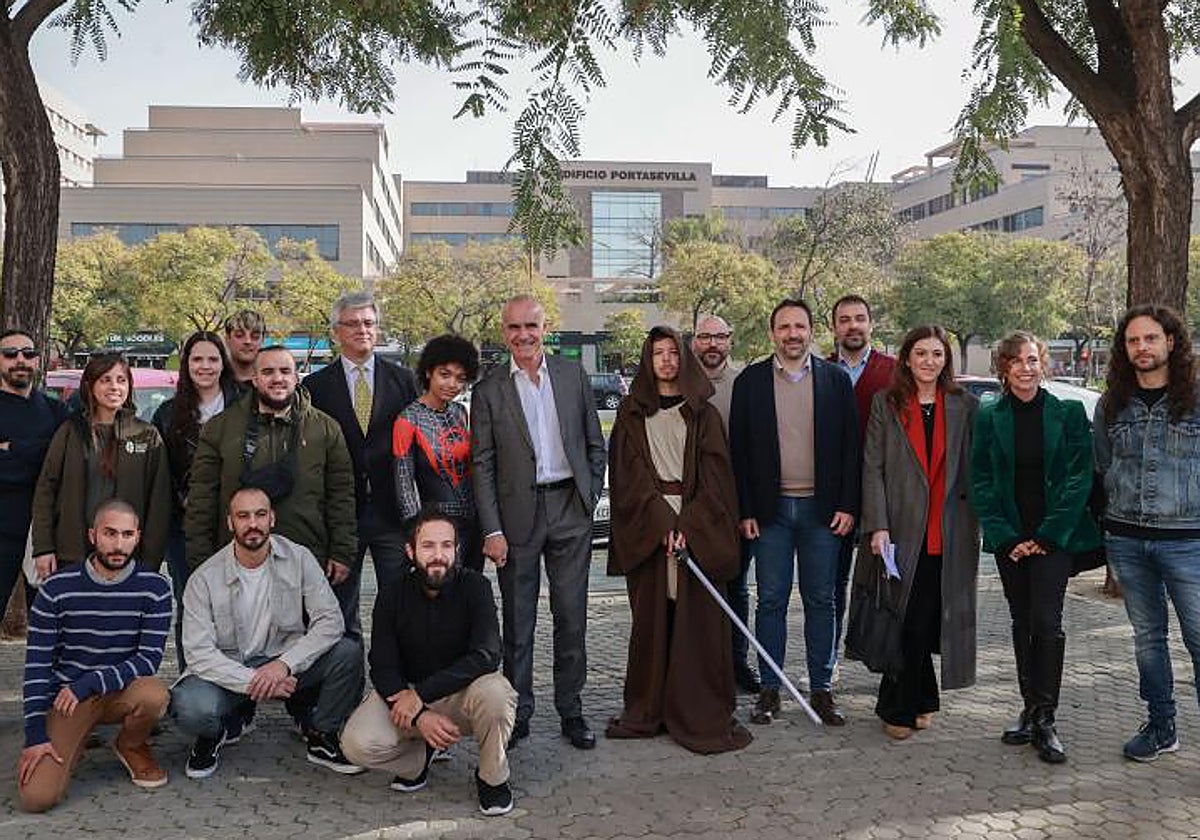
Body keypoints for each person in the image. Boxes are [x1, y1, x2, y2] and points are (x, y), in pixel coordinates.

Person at [606, 326, 751, 753]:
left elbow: (717, 480)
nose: (667, 360)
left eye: (673, 352)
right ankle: (650, 706)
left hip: (695, 530)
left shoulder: (703, 414)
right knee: (653, 621)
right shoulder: (632, 413)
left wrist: (687, 526)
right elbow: (627, 478)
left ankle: (695, 707)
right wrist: (661, 525)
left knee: (698, 623)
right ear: (648, 360)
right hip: (651, 531)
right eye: (658, 353)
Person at [472, 294, 606, 750]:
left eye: (531, 326)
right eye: (514, 328)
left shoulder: (572, 375)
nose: (523, 335)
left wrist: (588, 499)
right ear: (503, 331)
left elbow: (594, 442)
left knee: (571, 618)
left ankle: (571, 710)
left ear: (544, 327)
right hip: (516, 520)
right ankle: (519, 712)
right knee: (518, 623)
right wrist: (491, 529)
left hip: (569, 509)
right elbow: (482, 465)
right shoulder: (489, 389)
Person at [971, 331, 1101, 764]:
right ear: (1003, 368)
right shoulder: (989, 417)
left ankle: (1047, 718)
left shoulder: (1066, 412)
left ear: (1042, 364)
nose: (1025, 368)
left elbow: (1079, 478)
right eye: (1016, 361)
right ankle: (1028, 709)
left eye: (1032, 359)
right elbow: (982, 481)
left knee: (1046, 620)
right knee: (1021, 619)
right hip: (1012, 539)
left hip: (1054, 539)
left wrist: (1046, 536)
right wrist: (1007, 537)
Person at [172, 486, 364, 778]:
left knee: (347, 651)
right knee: (188, 706)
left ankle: (321, 734)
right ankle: (214, 734)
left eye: (260, 515)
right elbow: (198, 653)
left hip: (284, 662)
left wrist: (283, 665)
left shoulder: (299, 558)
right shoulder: (204, 578)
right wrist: (255, 680)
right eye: (243, 516)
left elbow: (330, 621)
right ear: (230, 523)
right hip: (230, 671)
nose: (252, 524)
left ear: (272, 518)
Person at [729, 298, 859, 726]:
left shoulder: (836, 381)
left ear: (811, 332)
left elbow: (850, 450)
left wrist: (847, 505)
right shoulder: (750, 383)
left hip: (823, 513)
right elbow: (740, 453)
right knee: (771, 601)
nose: (792, 334)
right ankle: (770, 689)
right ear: (772, 334)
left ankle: (821, 689)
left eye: (799, 326)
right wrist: (745, 509)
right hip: (770, 514)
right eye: (784, 327)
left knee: (822, 600)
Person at [341, 509, 517, 816]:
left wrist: (421, 696)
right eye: (428, 546)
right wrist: (420, 714)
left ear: (457, 550)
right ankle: (420, 758)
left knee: (498, 693)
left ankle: (492, 779)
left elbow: (487, 654)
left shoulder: (476, 587)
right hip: (408, 699)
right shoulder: (391, 595)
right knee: (356, 743)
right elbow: (382, 665)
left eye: (446, 546)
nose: (438, 555)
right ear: (410, 551)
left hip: (463, 694)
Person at [856, 325, 979, 740]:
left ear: (946, 359)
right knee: (904, 619)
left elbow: (976, 470)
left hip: (948, 531)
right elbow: (872, 468)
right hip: (900, 529)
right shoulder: (886, 404)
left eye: (937, 354)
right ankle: (902, 706)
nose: (929, 361)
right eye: (921, 353)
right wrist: (877, 525)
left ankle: (920, 697)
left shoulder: (965, 405)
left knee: (925, 621)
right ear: (906, 358)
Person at [1093, 304, 1200, 762]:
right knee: (1148, 640)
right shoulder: (1111, 403)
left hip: (1188, 541)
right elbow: (1102, 465)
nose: (1142, 347)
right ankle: (1161, 727)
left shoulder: (1195, 397)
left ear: (1170, 342)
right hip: (1128, 541)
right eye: (1133, 340)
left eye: (1151, 338)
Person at [18, 499, 173, 812]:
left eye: (127, 535)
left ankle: (130, 744)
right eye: (110, 533)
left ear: (138, 537)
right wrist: (35, 734)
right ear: (93, 535)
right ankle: (73, 740)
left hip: (119, 690)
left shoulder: (155, 588)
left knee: (156, 695)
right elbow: (37, 666)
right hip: (68, 699)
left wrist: (88, 683)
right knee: (37, 799)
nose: (118, 544)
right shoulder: (56, 589)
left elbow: (147, 660)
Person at [184, 345, 356, 585]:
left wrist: (342, 552)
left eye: (285, 371)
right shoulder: (220, 428)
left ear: (296, 377)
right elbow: (202, 499)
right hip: (236, 564)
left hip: (307, 562)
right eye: (268, 372)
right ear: (254, 379)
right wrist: (201, 560)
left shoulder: (325, 429)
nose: (277, 379)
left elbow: (341, 495)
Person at [304, 292, 419, 636]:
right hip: (340, 519)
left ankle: (395, 684)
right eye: (352, 324)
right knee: (339, 612)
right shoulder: (314, 388)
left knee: (399, 608)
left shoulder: (405, 382)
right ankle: (346, 686)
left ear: (378, 329)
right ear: (336, 332)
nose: (362, 330)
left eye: (368, 323)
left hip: (393, 514)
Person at [31, 353, 170, 580]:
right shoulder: (70, 432)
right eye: (105, 380)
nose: (114, 387)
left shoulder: (147, 435)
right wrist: (44, 547)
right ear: (90, 385)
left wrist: (151, 560)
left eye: (121, 380)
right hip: (72, 554)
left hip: (127, 559)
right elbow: (46, 492)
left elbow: (159, 502)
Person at [152, 331, 240, 670]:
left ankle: (235, 691)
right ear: (186, 364)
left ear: (224, 363)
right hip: (184, 526)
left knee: (236, 607)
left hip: (236, 523)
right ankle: (192, 678)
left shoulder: (243, 403)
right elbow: (162, 474)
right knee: (191, 603)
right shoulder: (167, 413)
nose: (205, 366)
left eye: (213, 359)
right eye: (197, 359)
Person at [691, 314, 758, 694]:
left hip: (734, 507)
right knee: (694, 591)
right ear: (694, 341)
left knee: (736, 587)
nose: (712, 344)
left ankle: (737, 662)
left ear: (730, 340)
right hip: (691, 507)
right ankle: (698, 667)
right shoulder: (681, 384)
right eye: (705, 337)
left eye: (720, 336)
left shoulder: (744, 385)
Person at [829, 295, 897, 652]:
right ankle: (832, 656)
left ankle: (884, 654)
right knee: (833, 582)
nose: (852, 325)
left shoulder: (895, 371)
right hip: (836, 496)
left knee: (885, 577)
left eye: (859, 318)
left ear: (871, 324)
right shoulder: (819, 370)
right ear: (834, 328)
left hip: (883, 494)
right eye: (844, 319)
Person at [392, 334, 481, 570]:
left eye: (460, 378)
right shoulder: (408, 419)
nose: (452, 384)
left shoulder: (460, 412)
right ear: (429, 372)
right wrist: (416, 531)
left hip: (474, 521)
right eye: (445, 374)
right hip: (437, 527)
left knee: (470, 589)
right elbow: (404, 483)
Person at [0, 329, 68, 614]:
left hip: (44, 538)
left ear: (38, 361)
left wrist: (12, 448)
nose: (20, 360)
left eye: (28, 354)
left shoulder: (57, 412)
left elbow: (61, 469)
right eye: (10, 354)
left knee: (49, 629)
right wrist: (39, 453)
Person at [223, 310, 267, 388]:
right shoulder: (214, 381)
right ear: (227, 339)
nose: (248, 341)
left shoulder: (273, 382)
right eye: (239, 335)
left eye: (255, 336)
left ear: (263, 340)